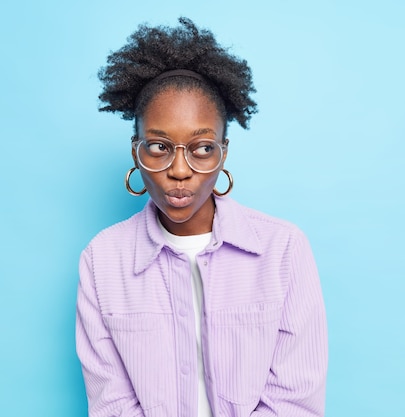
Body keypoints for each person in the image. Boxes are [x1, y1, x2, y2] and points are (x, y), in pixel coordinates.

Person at [76, 17, 328, 417]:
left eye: (202, 148)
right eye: (158, 146)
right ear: (135, 151)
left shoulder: (283, 251)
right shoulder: (102, 261)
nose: (179, 170)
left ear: (223, 153)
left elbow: (294, 401)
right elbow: (112, 405)